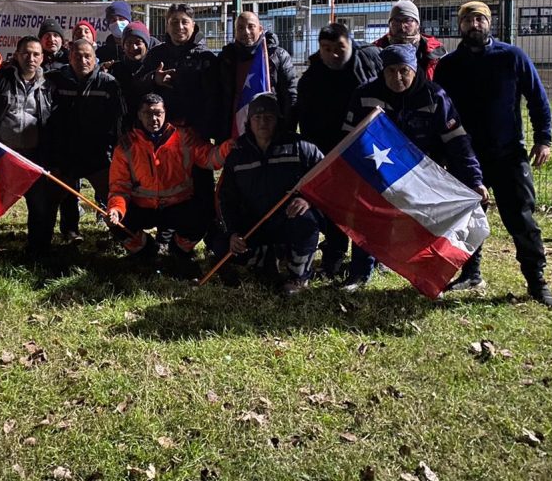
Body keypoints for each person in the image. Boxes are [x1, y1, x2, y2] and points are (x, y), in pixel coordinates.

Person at [434, 1, 552, 308]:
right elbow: (438, 111)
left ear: (490, 23)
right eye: (468, 20)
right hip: (466, 156)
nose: (474, 25)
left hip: (508, 154)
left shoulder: (512, 57)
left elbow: (537, 99)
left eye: (480, 19)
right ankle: (471, 273)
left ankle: (536, 282)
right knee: (467, 217)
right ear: (459, 26)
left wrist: (543, 139)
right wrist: (441, 153)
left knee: (521, 218)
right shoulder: (448, 66)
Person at [340, 44, 487, 291]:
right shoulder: (365, 94)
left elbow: (457, 142)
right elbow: (348, 139)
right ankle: (360, 273)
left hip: (422, 173)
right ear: (382, 71)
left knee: (428, 224)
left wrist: (474, 180)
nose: (397, 77)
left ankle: (434, 274)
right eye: (391, 71)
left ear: (414, 69)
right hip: (378, 170)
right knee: (367, 218)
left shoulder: (434, 96)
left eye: (404, 71)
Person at [106, 94, 231, 278]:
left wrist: (229, 147)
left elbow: (210, 158)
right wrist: (116, 209)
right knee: (117, 223)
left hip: (177, 205)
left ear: (165, 113)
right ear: (139, 115)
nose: (153, 119)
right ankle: (146, 249)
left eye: (158, 113)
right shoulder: (126, 146)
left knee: (202, 216)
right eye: (147, 113)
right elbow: (119, 186)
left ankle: (179, 249)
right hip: (143, 207)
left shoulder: (184, 137)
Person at [296, 23, 382, 278]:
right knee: (334, 207)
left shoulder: (369, 63)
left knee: (367, 206)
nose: (333, 54)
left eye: (339, 48)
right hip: (328, 151)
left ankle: (372, 256)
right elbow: (306, 121)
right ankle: (333, 254)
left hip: (367, 149)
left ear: (350, 44)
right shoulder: (311, 79)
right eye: (327, 48)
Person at [215, 94, 325, 295]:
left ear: (278, 120)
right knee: (220, 244)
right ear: (249, 122)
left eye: (268, 117)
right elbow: (227, 198)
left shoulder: (300, 147)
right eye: (257, 118)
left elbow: (326, 177)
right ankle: (265, 258)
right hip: (255, 222)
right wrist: (233, 233)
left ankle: (298, 276)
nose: (262, 122)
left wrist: (307, 199)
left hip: (288, 219)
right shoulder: (238, 154)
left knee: (307, 223)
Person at [135, 3, 222, 234]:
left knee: (201, 185)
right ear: (167, 26)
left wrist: (204, 129)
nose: (179, 27)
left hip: (196, 136)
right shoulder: (157, 55)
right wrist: (153, 79)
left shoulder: (206, 57)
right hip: (164, 137)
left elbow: (215, 98)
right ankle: (166, 234)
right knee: (167, 183)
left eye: (184, 22)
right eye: (174, 22)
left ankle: (205, 232)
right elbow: (137, 85)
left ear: (193, 25)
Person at [0, 36, 58, 254]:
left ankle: (37, 251)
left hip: (34, 157)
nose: (31, 58)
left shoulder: (49, 85)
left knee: (40, 206)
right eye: (26, 53)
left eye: (36, 54)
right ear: (17, 55)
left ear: (42, 58)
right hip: (2, 155)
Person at [46, 39, 126, 243]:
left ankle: (123, 237)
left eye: (87, 56)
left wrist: (116, 150)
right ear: (70, 57)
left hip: (97, 155)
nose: (83, 60)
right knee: (59, 197)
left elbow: (118, 120)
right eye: (77, 56)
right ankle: (65, 234)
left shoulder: (108, 83)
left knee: (112, 196)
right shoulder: (56, 80)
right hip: (65, 153)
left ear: (95, 58)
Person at [216, 11, 297, 140]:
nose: (246, 32)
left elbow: (290, 95)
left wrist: (286, 130)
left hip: (272, 132)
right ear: (235, 32)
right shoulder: (226, 58)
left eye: (251, 26)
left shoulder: (278, 56)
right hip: (235, 131)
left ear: (260, 29)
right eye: (240, 28)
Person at [373, 0, 445, 81]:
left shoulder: (436, 52)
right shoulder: (375, 50)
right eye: (396, 21)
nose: (402, 26)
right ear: (389, 24)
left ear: (417, 24)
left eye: (408, 20)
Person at [106, 21, 156, 120]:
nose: (133, 47)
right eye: (129, 43)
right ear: (123, 46)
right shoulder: (115, 69)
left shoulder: (155, 67)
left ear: (146, 45)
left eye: (138, 42)